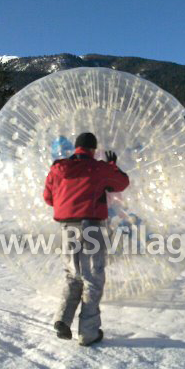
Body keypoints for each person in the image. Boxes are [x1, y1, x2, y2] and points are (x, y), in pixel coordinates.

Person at [43, 132, 130, 345]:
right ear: (93, 149)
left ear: (76, 148)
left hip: (67, 227)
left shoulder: (58, 168)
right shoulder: (99, 168)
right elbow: (121, 183)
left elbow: (47, 197)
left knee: (73, 276)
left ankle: (62, 319)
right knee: (93, 278)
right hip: (91, 226)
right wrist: (112, 165)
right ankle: (88, 333)